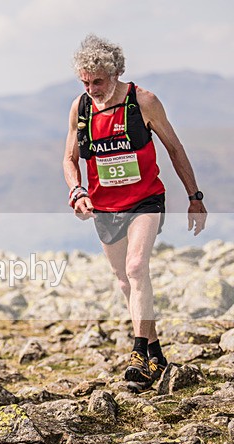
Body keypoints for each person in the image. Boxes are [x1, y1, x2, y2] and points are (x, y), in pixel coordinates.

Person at [63, 35, 207, 389]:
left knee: (136, 266)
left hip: (145, 200)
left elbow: (174, 148)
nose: (92, 88)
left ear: (114, 73)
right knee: (125, 281)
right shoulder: (80, 108)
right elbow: (69, 158)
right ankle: (156, 352)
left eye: (98, 81)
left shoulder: (143, 101)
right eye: (85, 81)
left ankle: (139, 353)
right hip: (105, 205)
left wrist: (194, 196)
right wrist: (76, 190)